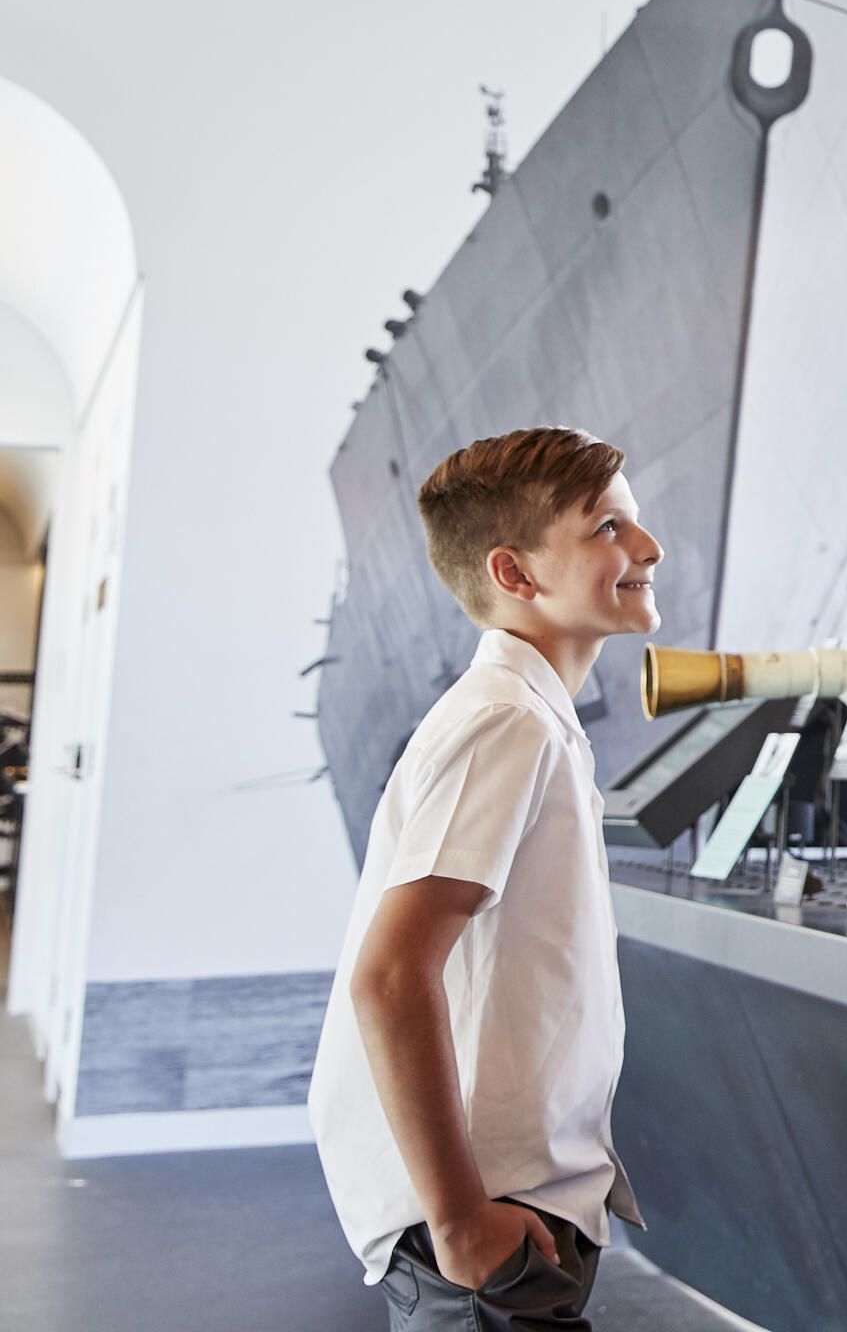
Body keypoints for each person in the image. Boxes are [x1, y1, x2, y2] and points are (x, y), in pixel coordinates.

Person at [309, 427, 660, 1328]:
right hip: (482, 1225)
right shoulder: (510, 721)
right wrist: (462, 1220)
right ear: (515, 574)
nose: (647, 548)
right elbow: (390, 976)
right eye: (607, 530)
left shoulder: (530, 716)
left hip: (508, 1209)